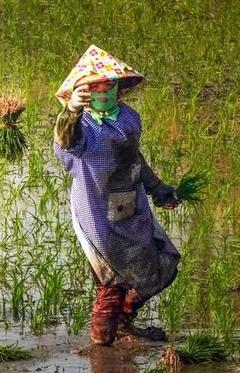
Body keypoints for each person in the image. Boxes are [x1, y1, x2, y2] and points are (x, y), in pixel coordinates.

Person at [54, 45, 180, 346]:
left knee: (163, 265)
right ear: (81, 92)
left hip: (131, 207)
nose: (101, 91)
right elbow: (64, 144)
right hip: (95, 211)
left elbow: (134, 158)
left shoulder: (128, 118)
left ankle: (124, 322)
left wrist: (158, 189)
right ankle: (102, 349)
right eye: (92, 87)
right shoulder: (79, 126)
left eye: (106, 84)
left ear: (118, 87)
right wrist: (70, 111)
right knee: (109, 282)